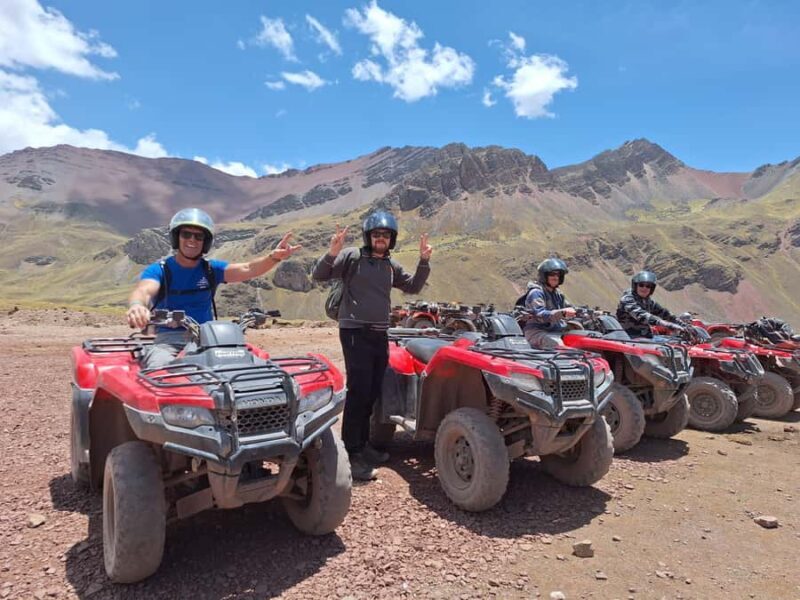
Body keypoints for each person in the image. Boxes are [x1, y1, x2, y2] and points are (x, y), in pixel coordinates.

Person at [312, 211, 432, 481]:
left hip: (380, 333)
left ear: (392, 239)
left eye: (386, 235)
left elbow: (412, 287)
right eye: (377, 234)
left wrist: (424, 261)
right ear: (369, 236)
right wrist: (332, 252)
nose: (381, 239)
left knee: (373, 391)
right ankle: (351, 455)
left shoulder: (391, 265)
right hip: (354, 331)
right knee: (358, 391)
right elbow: (319, 275)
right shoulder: (352, 257)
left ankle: (363, 446)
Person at [126, 207, 301, 367]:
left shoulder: (211, 269)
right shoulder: (160, 270)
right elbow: (144, 290)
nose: (192, 240)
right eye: (186, 234)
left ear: (205, 241)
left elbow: (248, 269)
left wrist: (274, 257)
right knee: (159, 369)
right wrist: (137, 306)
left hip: (209, 339)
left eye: (198, 236)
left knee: (253, 366)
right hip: (168, 341)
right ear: (176, 237)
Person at [520, 258, 576, 349]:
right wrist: (562, 313)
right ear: (544, 276)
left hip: (556, 330)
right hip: (537, 331)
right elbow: (540, 315)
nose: (556, 277)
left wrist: (586, 314)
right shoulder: (536, 293)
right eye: (552, 274)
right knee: (558, 345)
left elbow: (570, 308)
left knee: (580, 338)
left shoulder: (558, 294)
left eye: (558, 275)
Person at [616, 270, 684, 338]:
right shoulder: (627, 299)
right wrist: (664, 323)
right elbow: (641, 315)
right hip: (628, 337)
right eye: (641, 285)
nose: (644, 288)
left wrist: (683, 324)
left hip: (644, 337)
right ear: (635, 286)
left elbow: (664, 312)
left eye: (648, 286)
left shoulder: (648, 301)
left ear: (651, 289)